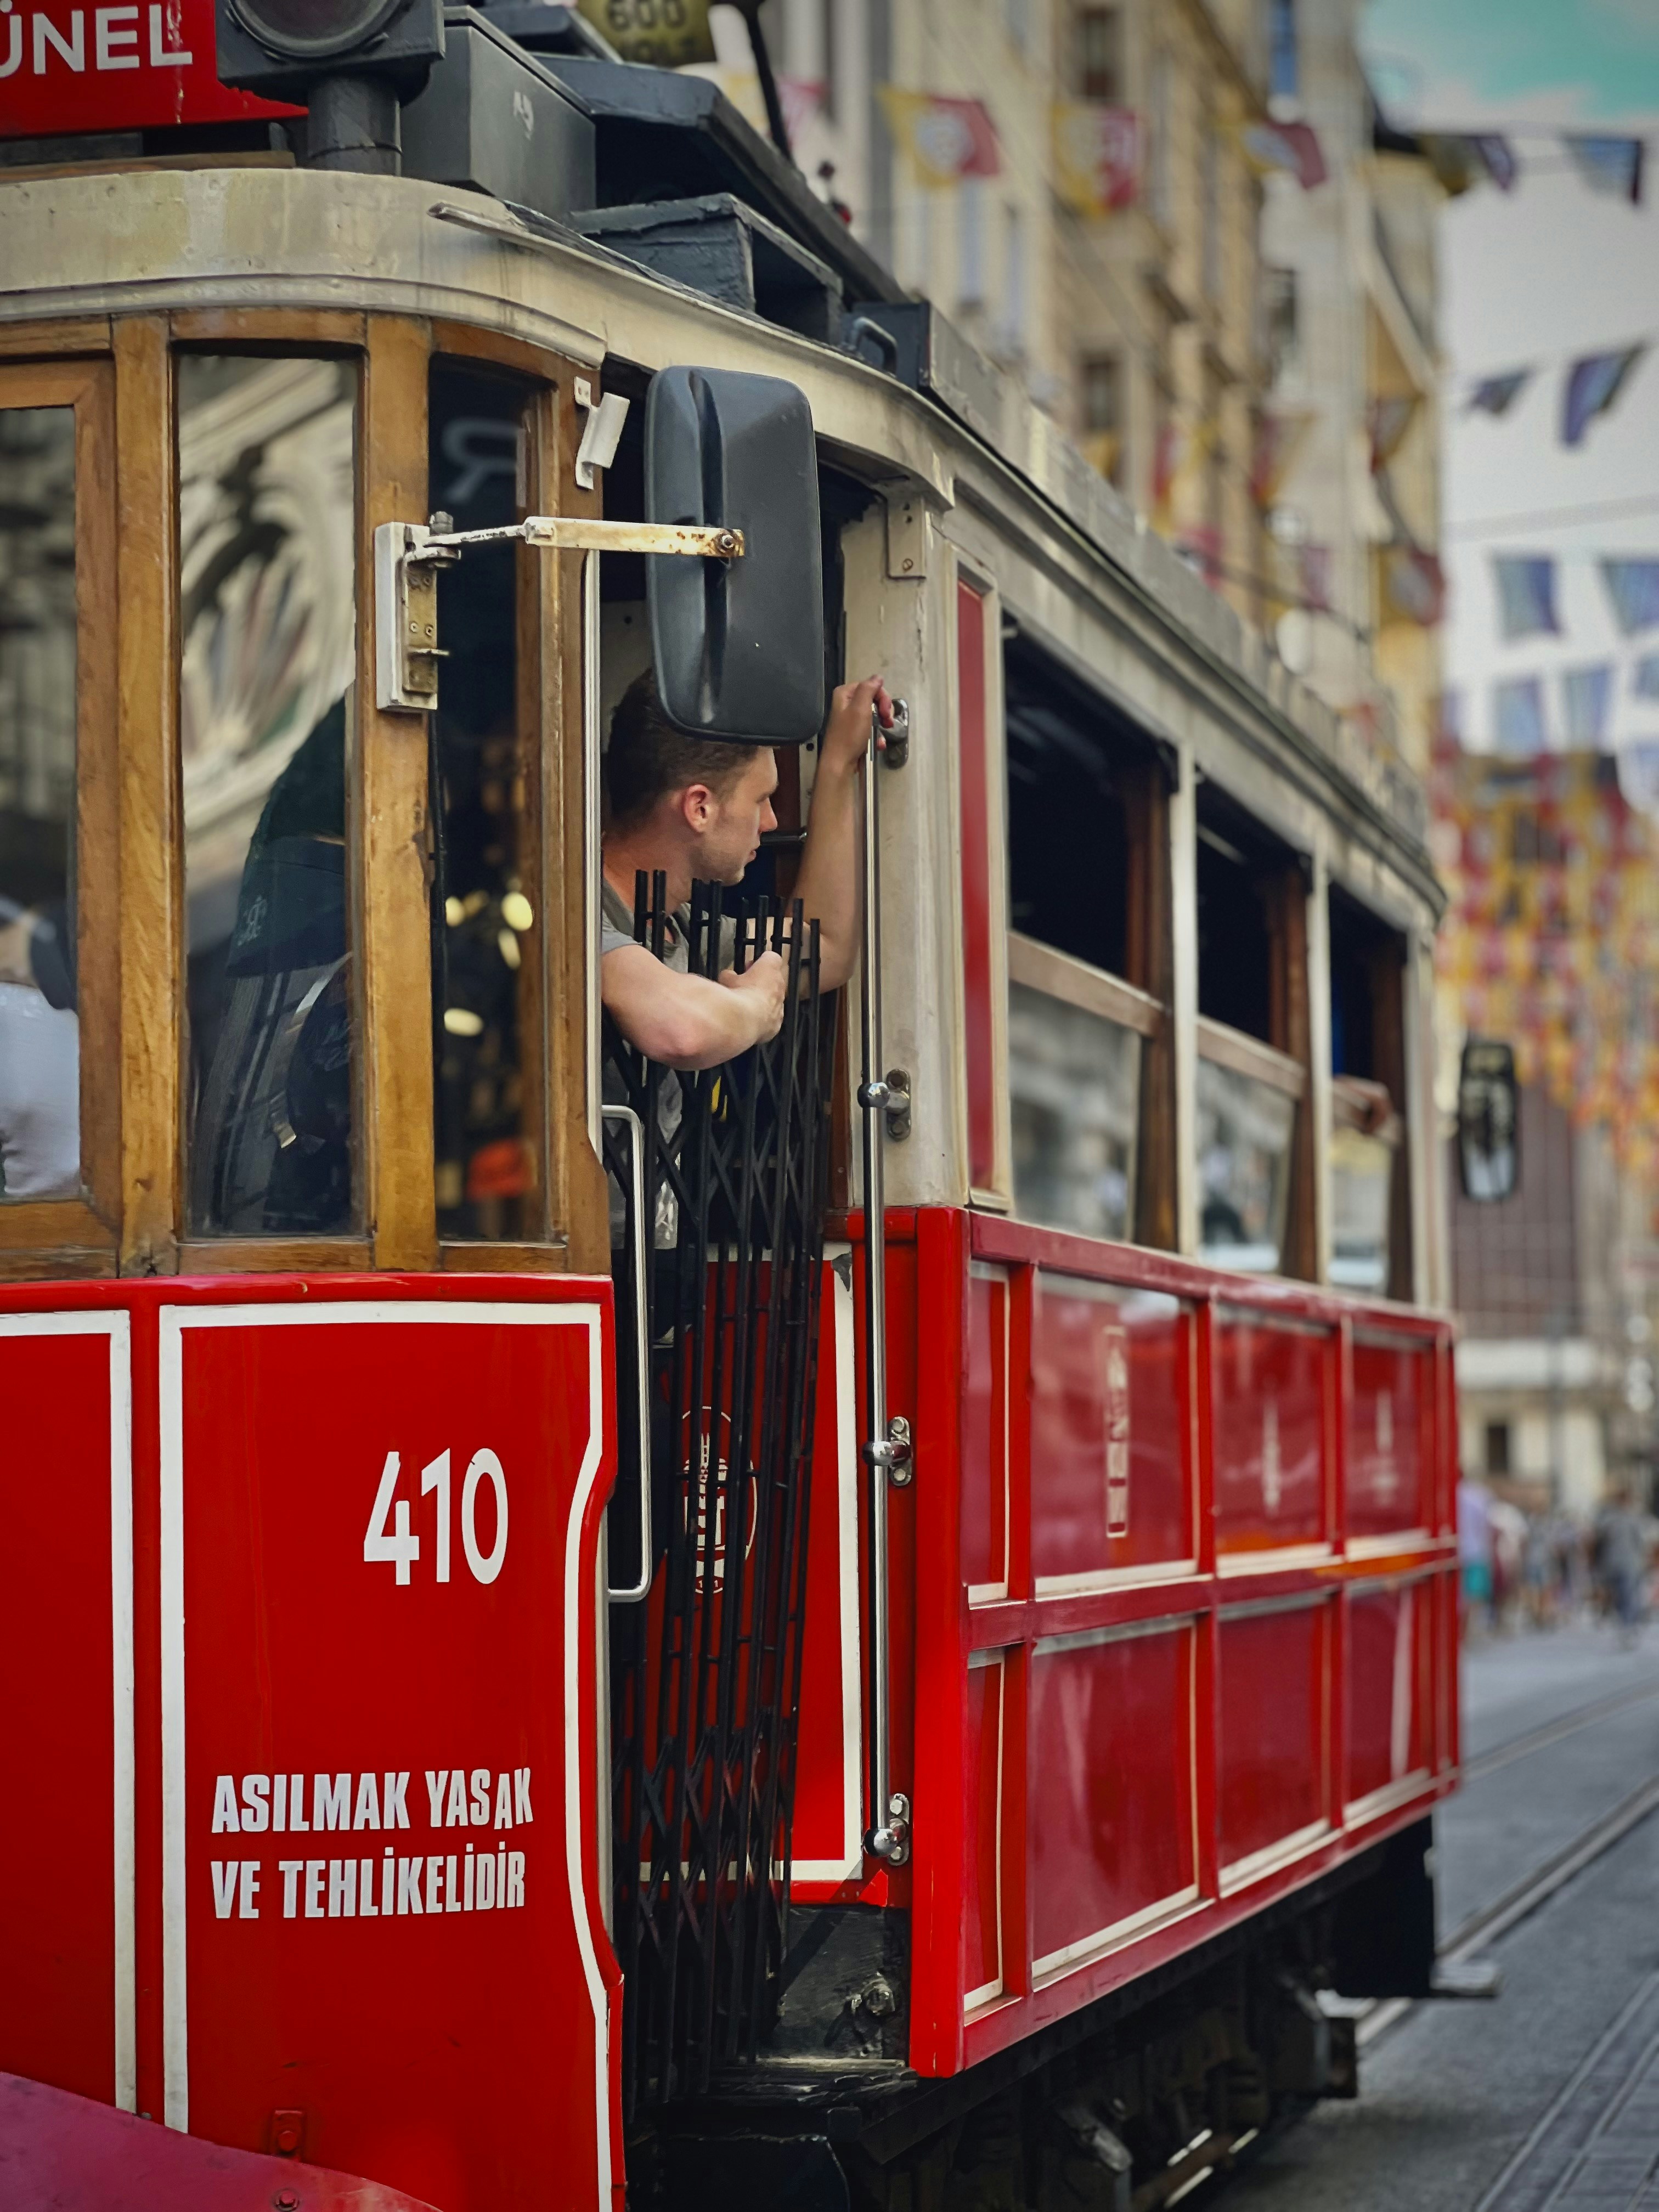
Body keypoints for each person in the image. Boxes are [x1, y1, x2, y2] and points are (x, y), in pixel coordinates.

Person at [600, 667, 892, 1066]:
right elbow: (681, 1032)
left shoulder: (680, 927)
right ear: (699, 808)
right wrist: (758, 1005)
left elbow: (826, 947)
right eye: (760, 800)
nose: (770, 822)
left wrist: (839, 763)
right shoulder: (579, 916)